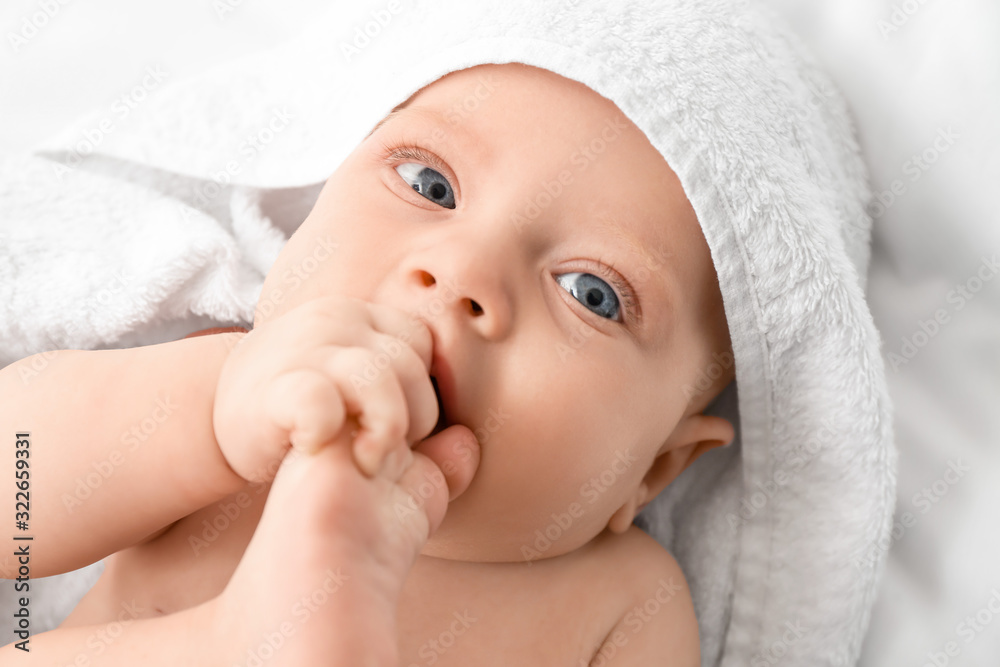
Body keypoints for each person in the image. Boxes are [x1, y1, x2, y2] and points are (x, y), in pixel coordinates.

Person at [0, 61, 736, 665]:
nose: (461, 274)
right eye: (429, 185)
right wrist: (214, 411)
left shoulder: (625, 602)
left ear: (654, 471)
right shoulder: (243, 404)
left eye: (591, 292)